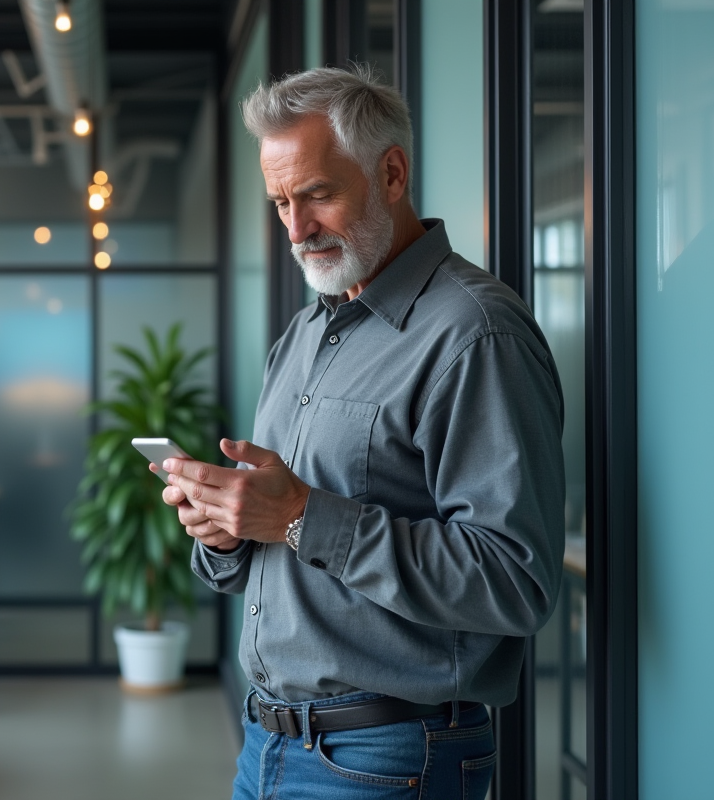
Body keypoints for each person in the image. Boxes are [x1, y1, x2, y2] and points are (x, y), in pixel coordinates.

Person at [158, 66, 565, 799]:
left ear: (393, 172)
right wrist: (223, 530)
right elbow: (280, 543)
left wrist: (301, 515)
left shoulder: (475, 335)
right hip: (267, 746)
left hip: (387, 759)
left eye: (317, 194)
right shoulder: (304, 335)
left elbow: (515, 580)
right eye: (280, 201)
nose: (294, 228)